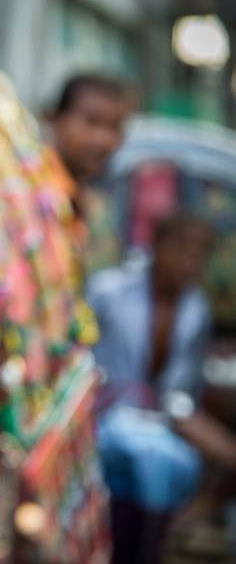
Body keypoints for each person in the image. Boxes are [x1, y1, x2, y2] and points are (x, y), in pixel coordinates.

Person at [88, 212, 236, 563]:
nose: (189, 261)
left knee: (167, 464)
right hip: (103, 418)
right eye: (181, 249)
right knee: (149, 462)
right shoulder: (109, 291)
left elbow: (178, 392)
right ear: (157, 246)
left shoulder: (194, 310)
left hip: (154, 428)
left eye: (199, 253)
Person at [44, 74, 128, 274]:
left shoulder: (92, 205)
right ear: (56, 119)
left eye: (114, 127)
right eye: (92, 122)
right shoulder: (30, 189)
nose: (104, 139)